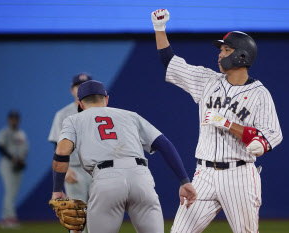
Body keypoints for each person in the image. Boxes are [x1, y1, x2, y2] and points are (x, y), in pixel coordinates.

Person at [151, 9, 283, 233]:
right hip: (204, 174)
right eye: (221, 50)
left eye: (226, 49)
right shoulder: (208, 81)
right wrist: (159, 29)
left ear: (242, 56)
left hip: (239, 175)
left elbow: (271, 135)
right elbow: (170, 62)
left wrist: (236, 129)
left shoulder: (260, 94)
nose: (220, 54)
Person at [50, 80, 197, 233]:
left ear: (80, 104)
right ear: (106, 99)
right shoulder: (130, 116)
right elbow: (164, 144)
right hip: (141, 178)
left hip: (106, 180)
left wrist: (57, 190)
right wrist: (184, 180)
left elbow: (62, 151)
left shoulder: (73, 120)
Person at [48, 72, 93, 233]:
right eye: (77, 86)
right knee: (75, 216)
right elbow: (57, 146)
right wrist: (64, 171)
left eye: (85, 86)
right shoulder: (62, 114)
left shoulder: (100, 113)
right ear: (71, 90)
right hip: (74, 169)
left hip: (97, 169)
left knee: (98, 216)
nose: (81, 89)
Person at [0, 110, 28, 229]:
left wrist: (22, 160)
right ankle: (10, 218)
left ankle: (5, 219)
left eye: (16, 118)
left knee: (13, 192)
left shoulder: (21, 134)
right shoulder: (5, 132)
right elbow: (0, 147)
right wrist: (12, 158)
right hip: (7, 164)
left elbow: (25, 149)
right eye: (12, 118)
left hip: (18, 164)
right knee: (10, 191)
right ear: (9, 120)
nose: (14, 120)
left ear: (18, 120)